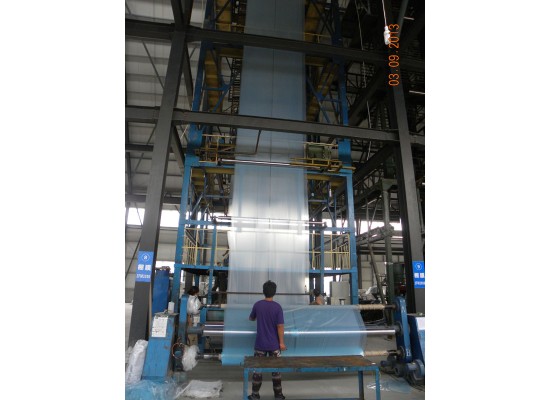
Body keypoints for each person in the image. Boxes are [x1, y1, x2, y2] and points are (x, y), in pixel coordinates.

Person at [248, 280, 287, 400]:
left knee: (257, 371)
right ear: (274, 292)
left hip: (260, 344)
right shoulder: (277, 307)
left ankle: (255, 395)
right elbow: (280, 326)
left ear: (263, 291)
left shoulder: (257, 305)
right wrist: (281, 343)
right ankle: (278, 395)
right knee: (276, 371)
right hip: (274, 345)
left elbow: (251, 318)